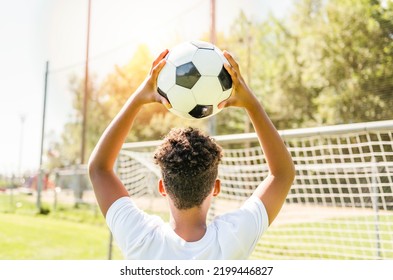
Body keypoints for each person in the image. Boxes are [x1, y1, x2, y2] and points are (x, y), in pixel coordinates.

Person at [88, 49, 295, 259]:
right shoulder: (232, 238)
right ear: (216, 187)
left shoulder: (141, 239)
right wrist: (252, 105)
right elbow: (282, 174)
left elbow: (99, 169)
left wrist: (139, 98)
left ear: (162, 187)